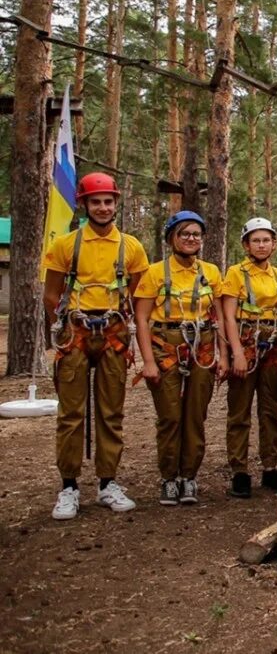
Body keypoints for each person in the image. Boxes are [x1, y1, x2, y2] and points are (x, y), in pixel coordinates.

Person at [43, 173, 149, 520]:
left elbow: (138, 294)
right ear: (84, 205)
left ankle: (107, 482)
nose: (103, 207)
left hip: (114, 332)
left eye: (108, 201)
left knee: (110, 412)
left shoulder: (131, 247)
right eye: (96, 202)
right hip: (75, 330)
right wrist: (60, 331)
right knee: (71, 414)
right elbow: (51, 294)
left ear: (116, 204)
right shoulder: (66, 245)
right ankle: (69, 486)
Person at [134, 211, 227, 506]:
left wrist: (223, 355)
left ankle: (189, 475)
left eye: (196, 234)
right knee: (170, 416)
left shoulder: (211, 272)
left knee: (196, 415)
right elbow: (141, 318)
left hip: (203, 346)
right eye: (184, 234)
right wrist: (147, 361)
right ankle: (168, 477)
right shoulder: (155, 272)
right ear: (172, 237)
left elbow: (221, 317)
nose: (191, 239)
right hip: (166, 346)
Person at [220, 217, 277, 498]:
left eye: (266, 240)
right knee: (240, 411)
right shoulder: (236, 274)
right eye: (256, 240)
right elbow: (228, 316)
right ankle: (239, 471)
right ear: (246, 244)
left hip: (272, 346)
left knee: (270, 410)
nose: (261, 245)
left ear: (273, 244)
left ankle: (270, 466)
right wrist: (235, 352)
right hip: (245, 344)